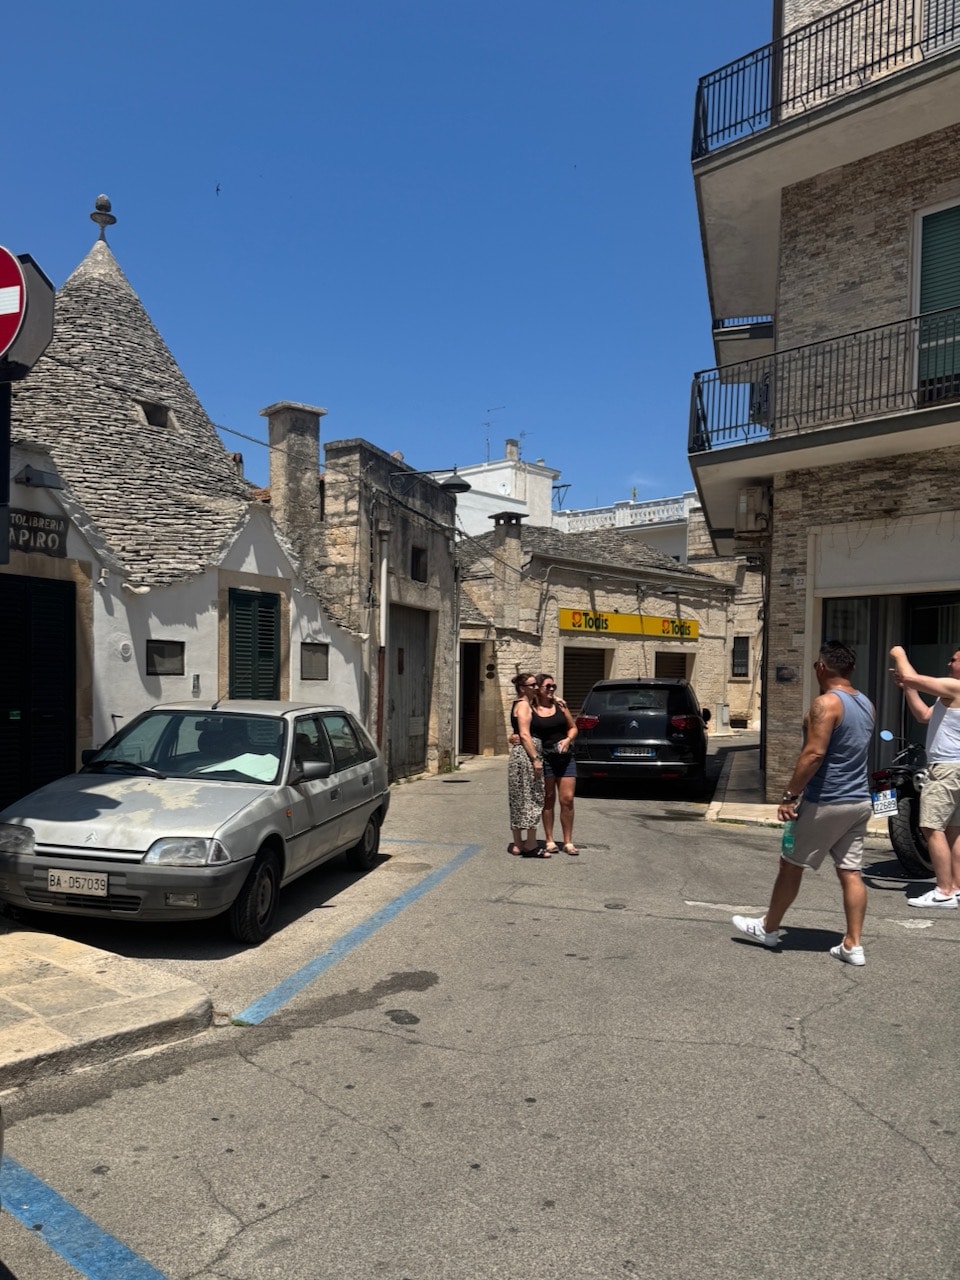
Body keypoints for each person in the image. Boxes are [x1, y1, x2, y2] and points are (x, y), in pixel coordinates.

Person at [732, 640, 875, 965]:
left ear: (821, 667)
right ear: (850, 670)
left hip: (826, 800)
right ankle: (853, 945)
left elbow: (814, 754)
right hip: (858, 801)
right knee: (851, 872)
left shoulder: (826, 704)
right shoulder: (866, 703)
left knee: (790, 863)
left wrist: (790, 795)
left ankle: (768, 929)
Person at [888, 644, 960, 908]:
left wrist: (898, 653)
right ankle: (956, 887)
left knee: (931, 826)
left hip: (945, 768)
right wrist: (908, 688)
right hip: (954, 768)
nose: (949, 664)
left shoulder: (956, 688)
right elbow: (923, 716)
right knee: (953, 830)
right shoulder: (948, 696)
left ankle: (943, 890)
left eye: (954, 660)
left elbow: (911, 676)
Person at [532, 673, 580, 855]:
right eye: (548, 686)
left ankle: (568, 841)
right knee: (548, 799)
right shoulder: (531, 709)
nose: (552, 689)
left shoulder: (560, 706)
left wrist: (568, 740)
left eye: (554, 686)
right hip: (545, 758)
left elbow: (573, 727)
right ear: (538, 689)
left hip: (565, 757)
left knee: (567, 799)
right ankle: (549, 840)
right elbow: (522, 727)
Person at [507, 673, 545, 856]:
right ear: (523, 688)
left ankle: (517, 844)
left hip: (520, 754)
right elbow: (524, 734)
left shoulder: (521, 704)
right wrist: (535, 759)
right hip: (526, 755)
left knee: (518, 797)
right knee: (532, 796)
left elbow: (517, 734)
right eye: (532, 685)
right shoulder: (523, 706)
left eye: (537, 684)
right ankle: (530, 844)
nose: (536, 687)